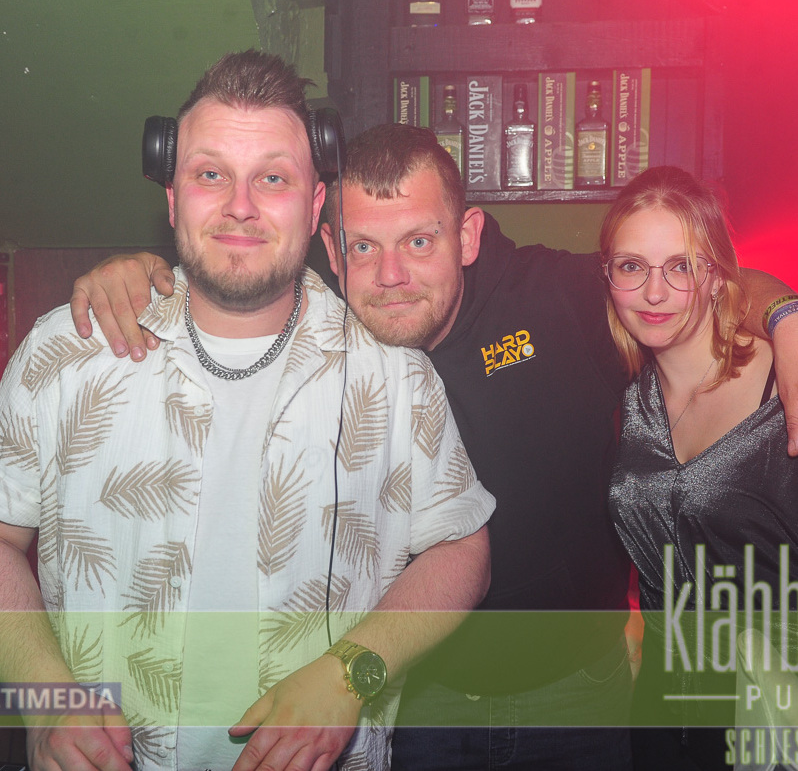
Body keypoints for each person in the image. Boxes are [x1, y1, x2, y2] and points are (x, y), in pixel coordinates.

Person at [69, 125, 798, 770]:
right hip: (411, 700)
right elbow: (223, 277)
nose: (391, 276)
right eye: (364, 246)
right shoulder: (317, 325)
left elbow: (702, 278)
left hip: (580, 696)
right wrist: (135, 275)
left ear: (468, 236)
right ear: (332, 248)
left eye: (420, 241)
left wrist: (786, 316)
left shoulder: (559, 295)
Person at [0, 54, 495, 771]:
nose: (240, 205)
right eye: (210, 174)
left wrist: (351, 674)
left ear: (316, 207)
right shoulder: (64, 352)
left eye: (272, 178)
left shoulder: (395, 375)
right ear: (173, 198)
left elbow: (463, 549)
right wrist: (44, 700)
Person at [601, 166, 798, 770]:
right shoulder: (627, 401)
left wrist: (787, 316)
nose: (654, 293)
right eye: (632, 266)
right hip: (660, 714)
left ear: (715, 276)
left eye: (681, 266)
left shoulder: (783, 389)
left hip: (772, 711)